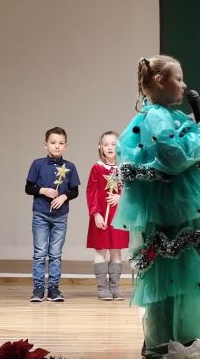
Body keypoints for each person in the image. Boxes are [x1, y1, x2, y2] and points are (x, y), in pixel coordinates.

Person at [113, 55, 200, 352]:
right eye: (178, 78)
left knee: (178, 271)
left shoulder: (162, 116)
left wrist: (194, 133)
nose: (184, 85)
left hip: (176, 203)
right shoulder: (157, 117)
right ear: (160, 81)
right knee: (170, 271)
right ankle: (163, 341)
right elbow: (173, 157)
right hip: (171, 206)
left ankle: (178, 337)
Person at [25, 127, 80, 302]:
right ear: (45, 145)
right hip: (40, 214)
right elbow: (28, 188)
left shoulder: (69, 167)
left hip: (60, 216)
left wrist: (64, 196)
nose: (57, 146)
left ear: (66, 146)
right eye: (53, 142)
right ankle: (38, 288)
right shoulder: (37, 164)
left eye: (61, 143)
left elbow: (75, 191)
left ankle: (54, 289)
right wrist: (42, 190)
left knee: (55, 253)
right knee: (40, 252)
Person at [86, 131, 129, 300]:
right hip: (101, 217)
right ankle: (102, 288)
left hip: (118, 216)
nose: (110, 147)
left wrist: (120, 197)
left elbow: (132, 191)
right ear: (100, 147)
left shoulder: (125, 168)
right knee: (100, 250)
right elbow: (91, 192)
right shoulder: (97, 168)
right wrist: (96, 214)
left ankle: (115, 287)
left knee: (116, 252)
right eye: (106, 144)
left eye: (113, 144)